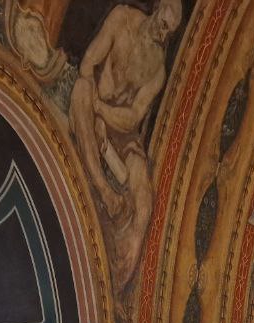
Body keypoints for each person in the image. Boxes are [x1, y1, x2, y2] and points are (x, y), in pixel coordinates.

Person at [68, 0, 183, 293]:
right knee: (80, 90)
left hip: (122, 132)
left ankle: (116, 285)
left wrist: (102, 114)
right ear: (157, 7)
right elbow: (88, 64)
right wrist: (95, 111)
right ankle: (105, 191)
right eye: (163, 24)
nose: (163, 34)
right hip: (91, 100)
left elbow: (133, 116)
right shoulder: (122, 18)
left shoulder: (157, 70)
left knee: (144, 196)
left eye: (169, 32)